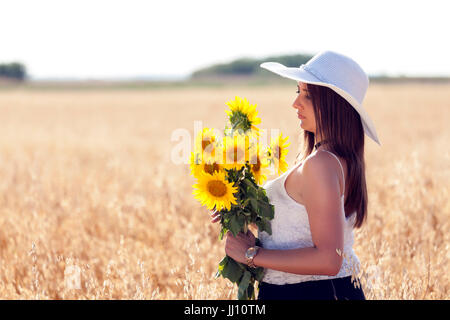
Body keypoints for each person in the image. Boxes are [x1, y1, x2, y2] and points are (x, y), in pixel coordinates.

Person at [211, 50, 381, 300]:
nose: (296, 103)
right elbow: (300, 227)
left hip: (310, 293)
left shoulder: (321, 164)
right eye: (298, 91)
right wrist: (238, 210)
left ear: (334, 104)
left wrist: (251, 255)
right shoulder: (334, 159)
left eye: (308, 95)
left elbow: (328, 259)